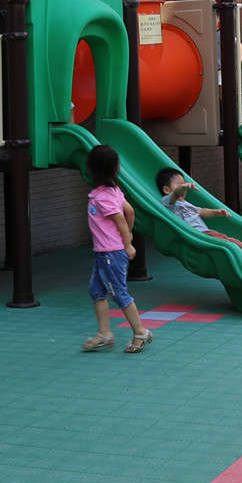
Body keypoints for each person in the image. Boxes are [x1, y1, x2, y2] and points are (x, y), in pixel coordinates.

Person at [80, 145, 152, 353]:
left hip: (111, 254)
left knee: (119, 293)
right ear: (115, 169)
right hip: (104, 253)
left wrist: (127, 242)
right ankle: (105, 333)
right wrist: (127, 236)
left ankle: (140, 332)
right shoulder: (112, 191)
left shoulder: (103, 197)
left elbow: (120, 218)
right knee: (96, 291)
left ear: (90, 169)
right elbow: (130, 212)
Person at [156, 168, 242, 273]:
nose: (183, 187)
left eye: (184, 183)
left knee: (238, 244)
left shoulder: (186, 204)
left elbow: (201, 211)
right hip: (197, 236)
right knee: (232, 247)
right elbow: (176, 194)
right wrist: (184, 187)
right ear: (167, 190)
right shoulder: (169, 202)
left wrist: (216, 212)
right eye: (179, 184)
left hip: (208, 233)